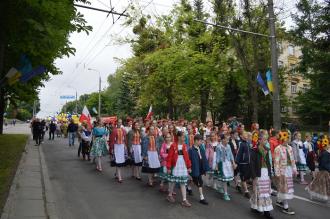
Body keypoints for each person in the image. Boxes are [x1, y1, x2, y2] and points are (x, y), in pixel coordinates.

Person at [250, 131, 274, 219]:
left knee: (265, 192)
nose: (265, 141)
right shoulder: (254, 150)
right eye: (264, 139)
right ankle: (256, 206)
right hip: (258, 173)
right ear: (259, 140)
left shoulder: (267, 150)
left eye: (266, 139)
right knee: (258, 191)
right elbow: (252, 164)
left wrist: (270, 175)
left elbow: (269, 163)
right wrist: (254, 176)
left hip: (265, 173)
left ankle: (266, 211)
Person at [166, 131, 192, 207]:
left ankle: (184, 200)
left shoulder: (184, 146)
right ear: (179, 137)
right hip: (176, 166)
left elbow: (187, 157)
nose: (185, 138)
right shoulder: (173, 145)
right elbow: (169, 157)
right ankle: (169, 195)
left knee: (183, 182)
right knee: (173, 181)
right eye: (183, 136)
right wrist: (168, 167)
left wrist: (189, 166)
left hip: (183, 166)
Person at [274, 131, 297, 215]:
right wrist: (277, 173)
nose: (289, 139)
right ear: (283, 139)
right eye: (288, 138)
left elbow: (292, 160)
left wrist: (294, 169)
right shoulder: (278, 148)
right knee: (285, 188)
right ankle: (285, 207)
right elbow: (276, 162)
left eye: (289, 138)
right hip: (282, 170)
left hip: (289, 170)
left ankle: (279, 200)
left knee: (285, 187)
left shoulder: (290, 148)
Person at [306, 136, 330, 202]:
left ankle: (325, 196)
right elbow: (324, 163)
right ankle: (316, 193)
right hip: (324, 171)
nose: (329, 146)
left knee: (320, 184)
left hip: (325, 171)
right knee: (321, 184)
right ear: (325, 146)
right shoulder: (325, 153)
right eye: (328, 145)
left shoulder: (325, 153)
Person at [188, 134, 209, 205]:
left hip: (200, 167)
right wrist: (189, 168)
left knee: (194, 181)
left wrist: (205, 167)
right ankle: (202, 198)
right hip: (194, 168)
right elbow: (188, 160)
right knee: (199, 182)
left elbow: (204, 158)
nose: (201, 142)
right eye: (200, 141)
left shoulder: (201, 148)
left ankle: (189, 187)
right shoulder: (190, 150)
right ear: (196, 141)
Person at [214, 135, 236, 201]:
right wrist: (217, 165)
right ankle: (225, 193)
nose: (228, 141)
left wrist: (233, 162)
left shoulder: (228, 146)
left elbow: (231, 155)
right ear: (223, 140)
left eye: (228, 140)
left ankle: (222, 188)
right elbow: (217, 156)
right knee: (224, 179)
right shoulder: (219, 147)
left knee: (226, 179)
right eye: (226, 139)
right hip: (222, 164)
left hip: (228, 163)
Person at [235, 131, 252, 199]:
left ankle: (238, 184)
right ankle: (246, 191)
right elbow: (238, 153)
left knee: (245, 176)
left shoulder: (248, 143)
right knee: (243, 177)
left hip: (248, 162)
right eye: (244, 135)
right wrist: (236, 162)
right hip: (242, 163)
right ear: (241, 136)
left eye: (246, 136)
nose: (245, 137)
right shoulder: (241, 143)